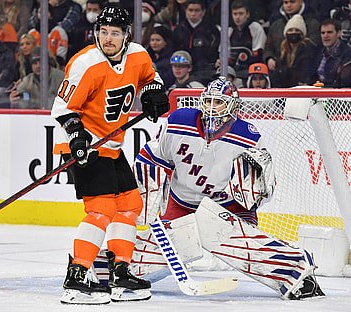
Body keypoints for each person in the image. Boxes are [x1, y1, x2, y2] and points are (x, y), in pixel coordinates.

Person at [132, 76, 325, 300]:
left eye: (219, 103)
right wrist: (149, 192)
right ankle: (115, 270)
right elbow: (152, 155)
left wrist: (253, 192)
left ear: (232, 106)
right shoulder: (178, 122)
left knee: (227, 238)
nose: (212, 109)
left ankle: (298, 275)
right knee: (164, 249)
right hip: (180, 203)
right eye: (209, 102)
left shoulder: (248, 137)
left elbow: (265, 190)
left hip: (225, 206)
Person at [51, 6, 169, 304]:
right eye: (103, 32)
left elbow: (151, 78)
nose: (108, 38)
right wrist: (77, 137)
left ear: (126, 35)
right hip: (85, 146)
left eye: (115, 33)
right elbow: (63, 110)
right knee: (101, 209)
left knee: (130, 204)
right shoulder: (85, 64)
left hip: (112, 146)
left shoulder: (138, 55)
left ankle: (120, 272)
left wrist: (154, 93)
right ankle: (77, 276)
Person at [264, 0, 320, 73]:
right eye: (286, 2)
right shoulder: (276, 25)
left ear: (301, 2)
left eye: (292, 2)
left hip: (302, 70)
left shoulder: (313, 24)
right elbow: (268, 47)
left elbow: (313, 48)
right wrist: (269, 58)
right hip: (279, 71)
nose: (288, 5)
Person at [172, 0, 220, 85]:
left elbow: (216, 51)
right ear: (186, 11)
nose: (193, 14)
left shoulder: (212, 30)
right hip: (184, 71)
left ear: (203, 12)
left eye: (197, 10)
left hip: (206, 72)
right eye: (190, 10)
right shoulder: (179, 30)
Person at [223, 0, 267, 80]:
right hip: (233, 72)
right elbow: (225, 55)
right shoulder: (228, 30)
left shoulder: (256, 28)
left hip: (251, 71)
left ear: (247, 14)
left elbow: (258, 55)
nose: (237, 17)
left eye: (241, 13)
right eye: (235, 14)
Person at [270, 14, 316, 87]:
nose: (293, 33)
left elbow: (307, 70)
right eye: (290, 30)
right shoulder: (282, 48)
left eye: (297, 30)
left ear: (302, 34)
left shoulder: (308, 47)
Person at [307, 18, 351, 87]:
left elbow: (343, 83)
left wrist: (321, 88)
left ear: (339, 33)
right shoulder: (318, 51)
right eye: (323, 33)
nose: (325, 36)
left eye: (329, 32)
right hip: (316, 91)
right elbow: (310, 75)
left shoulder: (347, 54)